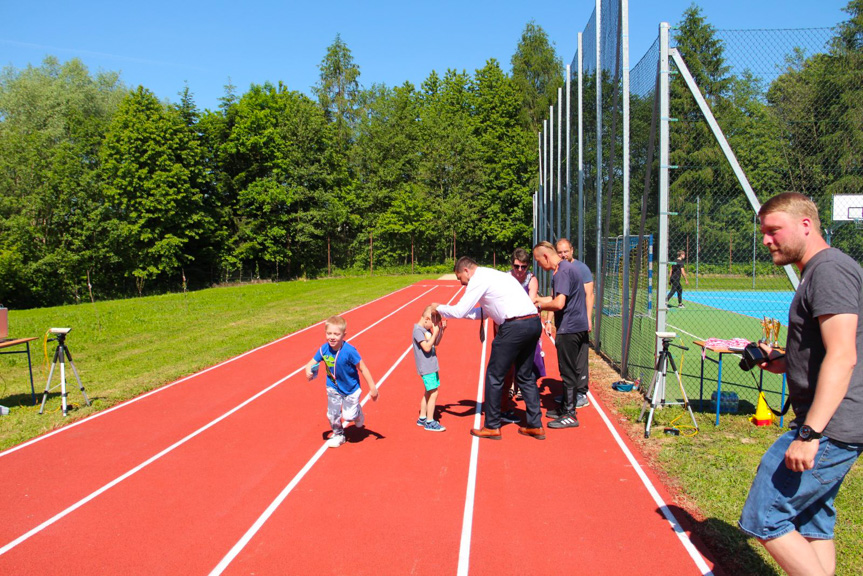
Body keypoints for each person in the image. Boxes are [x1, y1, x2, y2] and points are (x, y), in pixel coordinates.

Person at [738, 192, 862, 576]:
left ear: (806, 225)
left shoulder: (828, 270)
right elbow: (824, 352)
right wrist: (778, 361)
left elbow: (843, 355)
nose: (766, 240)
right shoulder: (821, 270)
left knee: (764, 518)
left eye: (774, 230)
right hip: (835, 422)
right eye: (764, 232)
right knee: (812, 521)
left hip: (830, 425)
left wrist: (809, 434)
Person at [432, 256, 545, 440]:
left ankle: (492, 426)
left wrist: (439, 308)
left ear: (467, 271)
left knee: (494, 376)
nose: (461, 283)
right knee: (525, 376)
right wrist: (446, 310)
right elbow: (481, 313)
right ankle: (535, 425)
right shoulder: (495, 275)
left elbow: (460, 311)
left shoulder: (478, 279)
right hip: (532, 323)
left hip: (514, 326)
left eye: (460, 277)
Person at [533, 241, 589, 429]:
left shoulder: (562, 272)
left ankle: (570, 414)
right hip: (578, 326)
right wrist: (538, 299)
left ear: (546, 257)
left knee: (567, 371)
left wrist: (538, 306)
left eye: (539, 261)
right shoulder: (567, 268)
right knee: (569, 370)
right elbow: (558, 298)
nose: (539, 265)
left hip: (569, 328)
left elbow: (558, 304)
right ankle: (566, 407)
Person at [305, 315, 379, 448]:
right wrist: (308, 370)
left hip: (351, 389)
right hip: (333, 387)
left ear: (344, 335)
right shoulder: (323, 349)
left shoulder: (350, 351)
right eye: (329, 333)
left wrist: (372, 387)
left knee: (349, 416)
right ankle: (339, 434)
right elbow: (310, 363)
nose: (332, 337)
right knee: (332, 414)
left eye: (336, 334)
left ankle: (357, 413)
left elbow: (362, 368)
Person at [500, 248, 546, 415]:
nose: (520, 270)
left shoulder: (531, 279)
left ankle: (521, 388)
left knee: (527, 359)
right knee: (508, 361)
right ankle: (511, 386)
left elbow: (532, 301)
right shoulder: (506, 278)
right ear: (512, 265)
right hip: (509, 324)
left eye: (523, 267)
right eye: (516, 266)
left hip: (526, 322)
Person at [555, 238, 594, 408]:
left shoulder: (581, 269)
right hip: (566, 320)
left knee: (580, 357)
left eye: (566, 251)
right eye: (560, 252)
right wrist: (549, 319)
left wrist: (588, 318)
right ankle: (569, 393)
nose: (563, 255)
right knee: (568, 358)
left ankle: (580, 393)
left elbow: (589, 295)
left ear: (572, 250)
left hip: (579, 321)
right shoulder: (559, 269)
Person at [413, 305, 447, 432]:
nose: (433, 327)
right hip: (426, 366)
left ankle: (422, 417)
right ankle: (430, 421)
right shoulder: (418, 330)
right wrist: (435, 332)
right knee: (434, 392)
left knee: (428, 391)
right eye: (433, 324)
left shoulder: (425, 330)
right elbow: (427, 347)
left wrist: (441, 331)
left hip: (431, 365)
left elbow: (435, 343)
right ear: (427, 319)